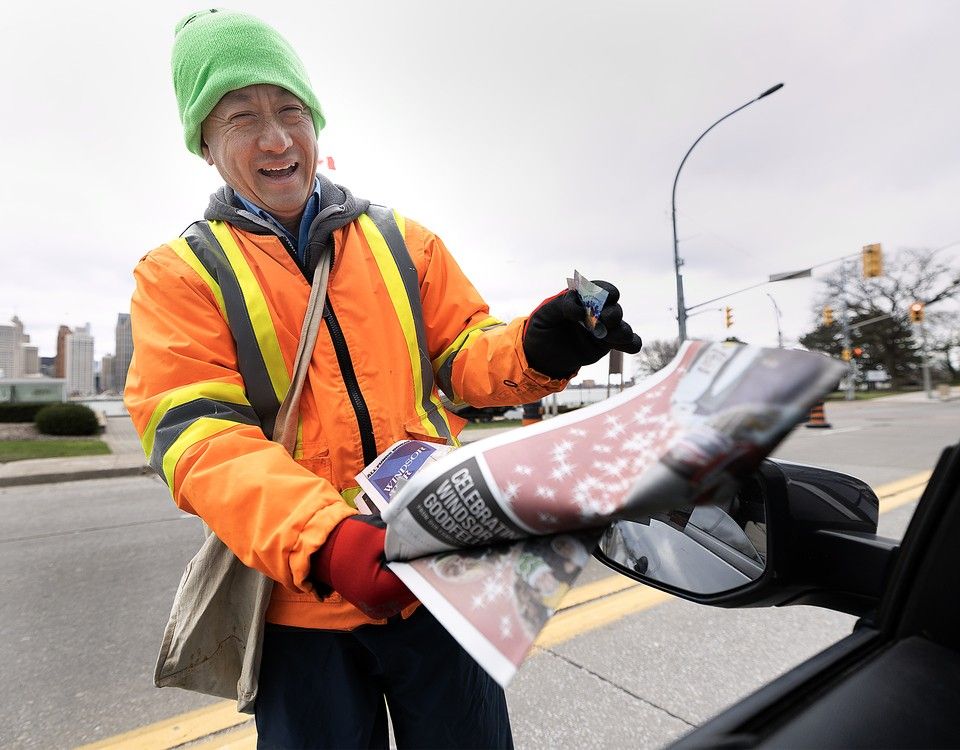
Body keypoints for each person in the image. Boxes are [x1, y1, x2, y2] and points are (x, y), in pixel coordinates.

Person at [125, 9, 641, 749]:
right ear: (205, 144)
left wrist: (540, 345)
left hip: (436, 580)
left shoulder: (403, 242)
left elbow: (465, 356)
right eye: (241, 117)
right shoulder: (179, 275)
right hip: (302, 610)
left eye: (290, 111)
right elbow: (200, 440)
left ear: (315, 125)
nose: (275, 138)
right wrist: (328, 541)